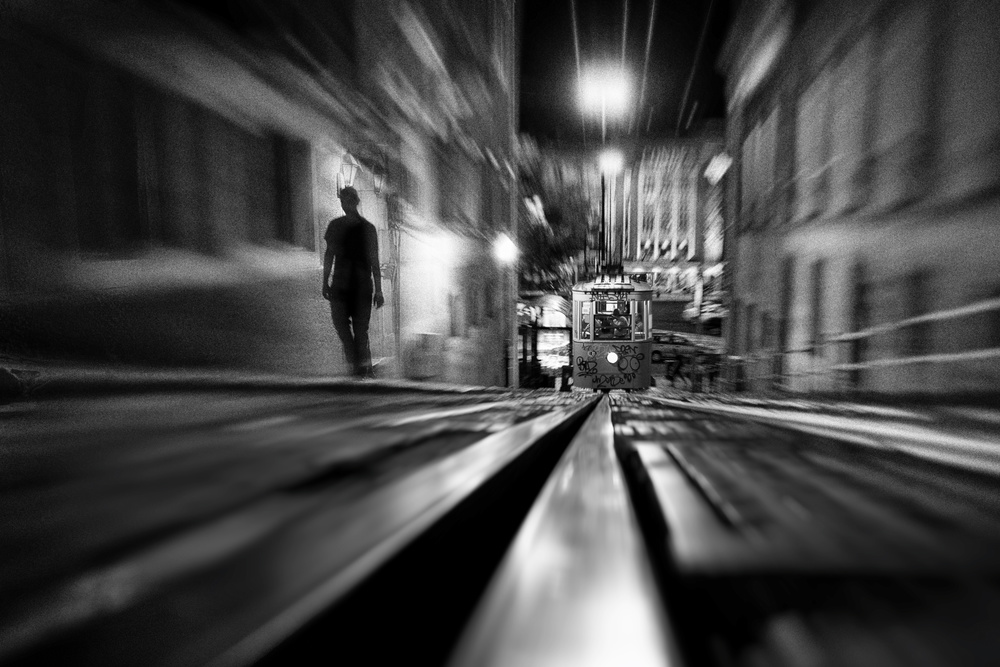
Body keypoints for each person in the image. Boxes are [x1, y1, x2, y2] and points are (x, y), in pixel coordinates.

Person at [322, 186, 384, 378]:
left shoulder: (343, 227)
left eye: (346, 201)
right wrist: (378, 290)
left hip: (351, 286)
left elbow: (330, 255)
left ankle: (360, 368)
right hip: (353, 286)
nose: (344, 204)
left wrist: (379, 290)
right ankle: (362, 368)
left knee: (352, 329)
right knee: (352, 328)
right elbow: (330, 255)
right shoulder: (363, 228)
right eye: (342, 201)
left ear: (354, 202)